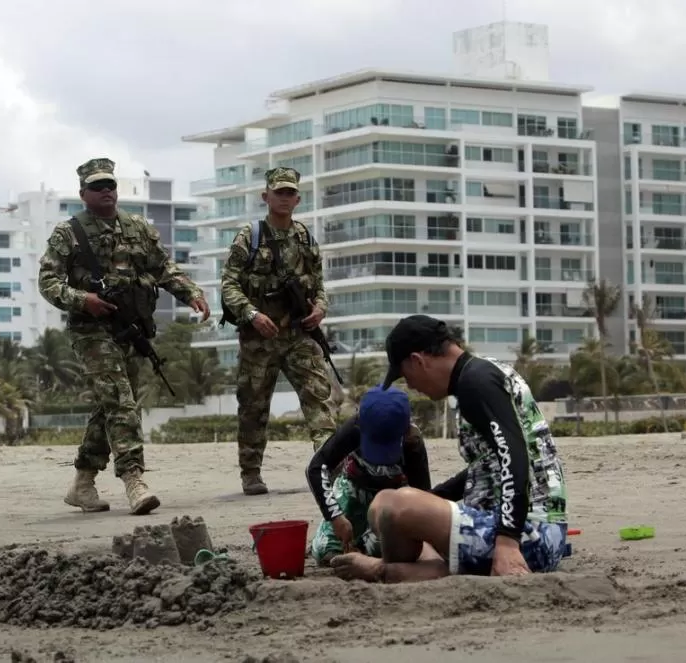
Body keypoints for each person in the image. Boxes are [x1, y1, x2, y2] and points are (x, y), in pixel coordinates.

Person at [330, 315, 568, 582]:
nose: (411, 386)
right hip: (520, 529)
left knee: (393, 504)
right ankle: (421, 569)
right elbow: (490, 463)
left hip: (530, 536)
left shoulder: (475, 382)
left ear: (417, 361)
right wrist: (433, 497)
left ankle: (385, 570)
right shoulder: (482, 372)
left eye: (406, 376)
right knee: (385, 504)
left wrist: (508, 542)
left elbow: (514, 454)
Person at [38, 157, 210, 515]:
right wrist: (82, 299)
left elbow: (163, 268)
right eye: (97, 187)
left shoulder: (138, 229)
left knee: (112, 404)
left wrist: (190, 292)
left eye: (110, 186)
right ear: (83, 193)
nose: (106, 192)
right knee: (120, 400)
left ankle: (83, 483)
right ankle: (134, 478)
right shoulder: (68, 233)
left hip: (129, 329)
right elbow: (48, 282)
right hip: (91, 331)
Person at [220, 167, 336, 496]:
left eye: (290, 193)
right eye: (279, 192)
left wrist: (320, 309)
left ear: (298, 198)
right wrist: (251, 313)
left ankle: (328, 465)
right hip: (260, 337)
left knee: (319, 398)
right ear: (265, 197)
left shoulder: (305, 238)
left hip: (299, 334)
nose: (285, 198)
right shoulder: (250, 236)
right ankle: (251, 472)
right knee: (253, 406)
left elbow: (320, 285)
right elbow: (229, 284)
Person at [305, 385, 433, 567]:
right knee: (326, 551)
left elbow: (422, 496)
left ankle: (365, 548)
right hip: (354, 489)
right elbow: (317, 468)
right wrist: (335, 517)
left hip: (394, 499)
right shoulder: (353, 429)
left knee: (388, 549)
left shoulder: (412, 442)